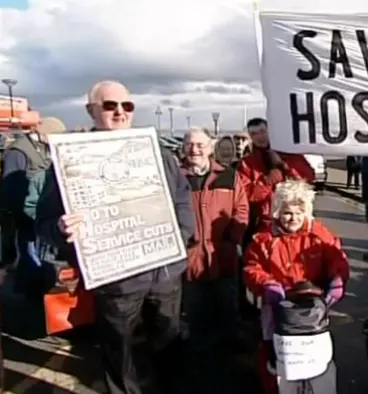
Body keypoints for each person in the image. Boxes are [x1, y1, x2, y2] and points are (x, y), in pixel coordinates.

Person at [35, 80, 195, 394]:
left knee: (169, 345)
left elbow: (182, 198)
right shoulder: (70, 161)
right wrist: (61, 228)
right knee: (120, 355)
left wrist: (180, 238)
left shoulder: (157, 152)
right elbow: (44, 223)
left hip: (164, 275)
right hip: (117, 282)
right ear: (91, 111)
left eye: (127, 105)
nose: (120, 112)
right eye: (110, 106)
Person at [243, 180, 349, 394]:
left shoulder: (319, 234)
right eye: (288, 213)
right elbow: (251, 267)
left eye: (299, 213)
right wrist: (266, 284)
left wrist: (337, 280)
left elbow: (337, 259)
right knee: (274, 353)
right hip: (276, 304)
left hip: (312, 305)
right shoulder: (263, 239)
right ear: (277, 212)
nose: (293, 219)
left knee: (314, 355)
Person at [179, 128, 249, 392]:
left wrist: (233, 238)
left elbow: (241, 209)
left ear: (209, 148)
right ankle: (200, 356)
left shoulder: (229, 176)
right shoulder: (176, 178)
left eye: (199, 144)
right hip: (192, 256)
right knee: (196, 307)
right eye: (189, 144)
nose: (194, 149)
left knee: (227, 302)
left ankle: (233, 350)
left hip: (223, 252)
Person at [1, 117, 66, 297]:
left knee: (38, 259)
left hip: (40, 213)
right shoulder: (18, 152)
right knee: (28, 257)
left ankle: (34, 289)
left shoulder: (40, 147)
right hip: (26, 216)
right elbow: (11, 189)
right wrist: (25, 216)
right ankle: (25, 296)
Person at [237, 117, 314, 246]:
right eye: (254, 134)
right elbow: (247, 194)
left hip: (295, 218)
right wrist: (268, 181)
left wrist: (284, 165)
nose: (259, 136)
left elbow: (307, 178)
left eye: (262, 131)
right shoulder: (247, 163)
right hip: (264, 222)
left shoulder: (290, 154)